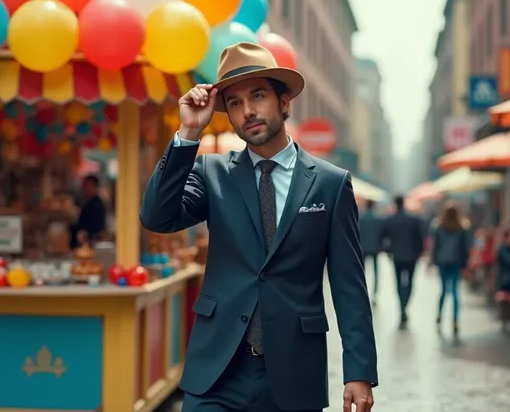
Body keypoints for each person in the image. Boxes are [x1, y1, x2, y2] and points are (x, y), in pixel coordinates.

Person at [140, 43, 377, 412]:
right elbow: (157, 216)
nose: (247, 110)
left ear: (284, 102)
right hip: (217, 372)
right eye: (234, 102)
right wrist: (188, 134)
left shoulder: (330, 184)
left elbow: (349, 285)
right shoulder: (211, 173)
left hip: (294, 373)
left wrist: (358, 372)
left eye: (258, 96)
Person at [381, 195, 425, 328]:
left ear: (395, 204)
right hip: (412, 256)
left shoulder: (390, 220)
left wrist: (388, 251)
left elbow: (384, 238)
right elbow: (419, 237)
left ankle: (402, 307)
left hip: (397, 256)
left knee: (399, 282)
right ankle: (404, 306)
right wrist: (419, 251)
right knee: (410, 282)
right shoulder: (413, 220)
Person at [429, 201, 470, 335]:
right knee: (454, 292)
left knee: (443, 290)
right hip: (456, 262)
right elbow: (465, 248)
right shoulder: (461, 229)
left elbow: (436, 247)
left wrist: (433, 261)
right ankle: (455, 319)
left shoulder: (439, 227)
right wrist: (465, 263)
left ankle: (439, 314)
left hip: (443, 261)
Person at [358, 200, 384, 303]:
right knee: (376, 272)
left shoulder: (360, 219)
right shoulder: (378, 220)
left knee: (362, 272)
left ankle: (362, 292)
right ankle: (375, 294)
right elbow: (381, 235)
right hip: (375, 248)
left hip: (362, 248)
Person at [70, 174, 106, 248]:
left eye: (89, 185)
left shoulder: (97, 204)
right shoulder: (86, 201)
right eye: (85, 185)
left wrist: (86, 233)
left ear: (95, 187)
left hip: (90, 242)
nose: (86, 188)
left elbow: (98, 225)